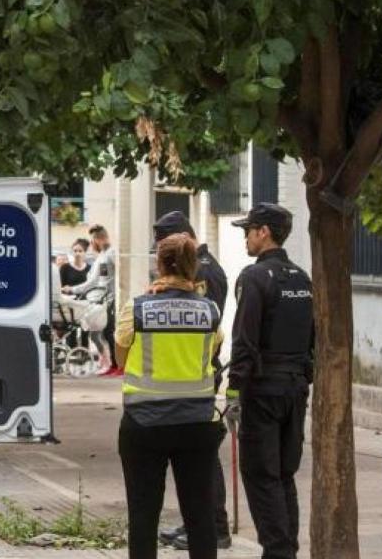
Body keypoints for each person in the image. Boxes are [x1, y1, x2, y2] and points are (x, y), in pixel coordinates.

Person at [114, 234, 222, 559]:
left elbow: (121, 360)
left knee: (143, 517)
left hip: (144, 424)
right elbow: (211, 352)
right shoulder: (210, 311)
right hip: (197, 426)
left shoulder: (136, 308)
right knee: (201, 517)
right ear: (194, 266)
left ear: (159, 263)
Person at [225, 203, 314, 559]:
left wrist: (233, 392)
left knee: (261, 475)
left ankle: (278, 552)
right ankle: (286, 550)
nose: (245, 236)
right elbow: (312, 338)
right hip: (295, 388)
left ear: (264, 232)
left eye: (249, 229)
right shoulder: (302, 278)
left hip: (263, 390)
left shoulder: (254, 277)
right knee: (283, 474)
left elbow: (244, 342)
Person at [151, 211, 232, 550]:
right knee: (196, 455)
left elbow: (203, 321)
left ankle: (215, 525)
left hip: (197, 371)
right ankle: (198, 521)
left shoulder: (206, 272)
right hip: (191, 371)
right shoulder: (201, 267)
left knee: (203, 455)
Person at [63, 224, 118, 374]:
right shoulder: (101, 256)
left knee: (107, 333)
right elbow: (94, 280)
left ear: (98, 239)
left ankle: (114, 366)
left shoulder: (111, 254)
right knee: (95, 333)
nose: (91, 243)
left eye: (92, 240)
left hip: (107, 300)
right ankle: (105, 360)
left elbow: (95, 282)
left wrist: (72, 289)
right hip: (98, 300)